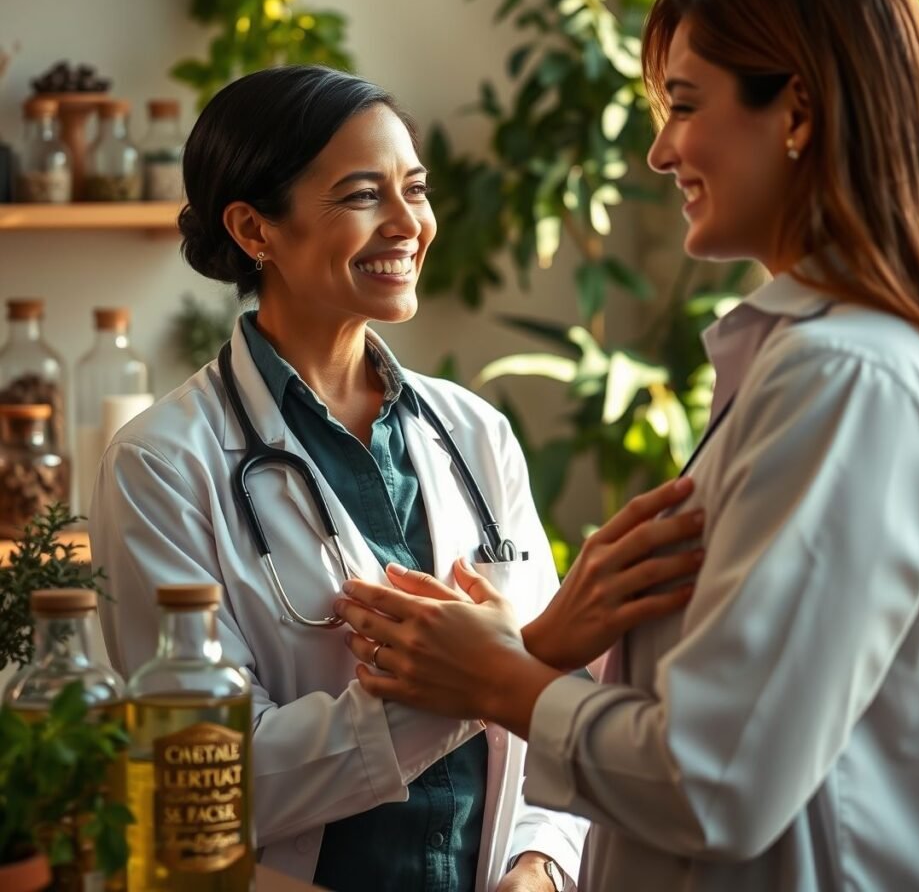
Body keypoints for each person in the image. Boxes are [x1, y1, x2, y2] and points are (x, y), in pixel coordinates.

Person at [337, 0, 919, 891]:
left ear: (798, 112)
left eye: (686, 107)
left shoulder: (847, 382)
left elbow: (717, 780)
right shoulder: (814, 365)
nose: (661, 152)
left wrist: (503, 674)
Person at [89, 64, 708, 891]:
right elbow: (217, 784)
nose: (408, 224)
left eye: (413, 189)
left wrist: (541, 863)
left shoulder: (474, 433)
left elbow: (544, 721)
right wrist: (505, 664)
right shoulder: (161, 466)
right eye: (360, 196)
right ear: (253, 229)